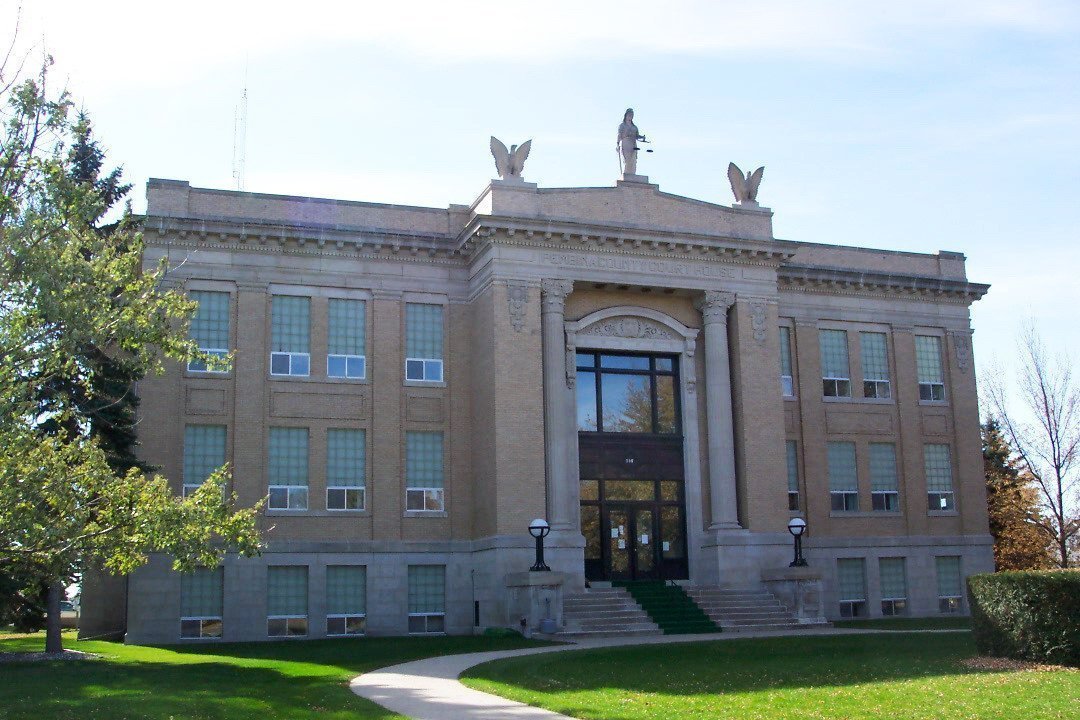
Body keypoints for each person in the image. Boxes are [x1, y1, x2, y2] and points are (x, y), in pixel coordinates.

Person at [617, 108, 645, 175]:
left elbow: (637, 136)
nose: (631, 116)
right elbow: (619, 135)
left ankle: (632, 174)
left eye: (632, 115)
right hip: (626, 144)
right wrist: (617, 144)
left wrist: (642, 137)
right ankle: (626, 173)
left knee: (633, 160)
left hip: (633, 144)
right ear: (626, 115)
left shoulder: (634, 127)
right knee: (627, 159)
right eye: (629, 115)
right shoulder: (622, 125)